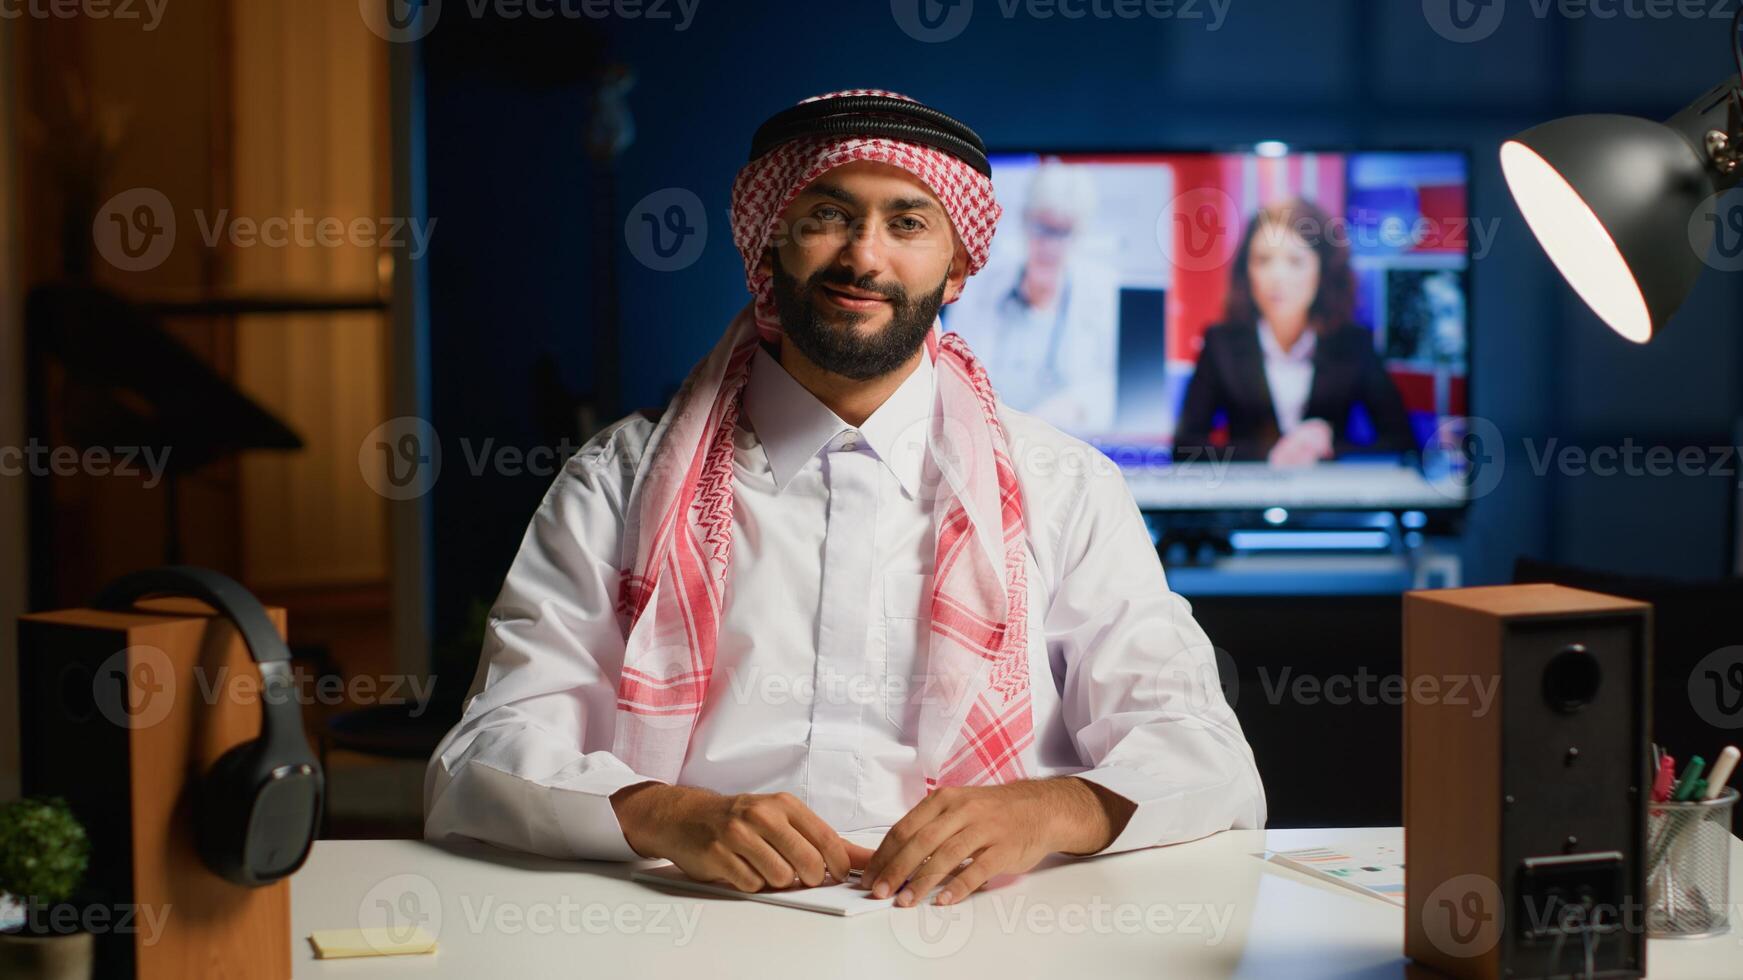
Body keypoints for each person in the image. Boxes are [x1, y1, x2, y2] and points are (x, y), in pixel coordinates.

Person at [425, 89, 1265, 910]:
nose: (863, 258)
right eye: (826, 216)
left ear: (959, 266)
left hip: (996, 934)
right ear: (765, 244)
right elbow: (483, 753)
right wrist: (662, 813)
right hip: (688, 927)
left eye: (907, 223)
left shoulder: (1065, 485)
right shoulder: (617, 479)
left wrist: (1048, 807)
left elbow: (1204, 755)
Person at [1173, 199, 1414, 465]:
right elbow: (1184, 448)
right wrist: (1270, 454)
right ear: (1247, 270)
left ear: (1323, 271)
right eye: (1263, 260)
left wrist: (1328, 448)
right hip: (1247, 500)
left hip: (1327, 501)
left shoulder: (1354, 344)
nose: (1277, 276)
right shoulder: (1221, 343)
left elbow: (1402, 444)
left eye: (1295, 261)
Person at [945, 161, 1119, 431]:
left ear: (1079, 233)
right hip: (985, 441)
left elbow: (1106, 394)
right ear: (1025, 221)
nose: (1050, 244)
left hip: (1067, 446)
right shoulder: (980, 284)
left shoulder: (1101, 295)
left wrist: (1065, 411)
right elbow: (951, 372)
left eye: (1062, 232)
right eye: (1042, 228)